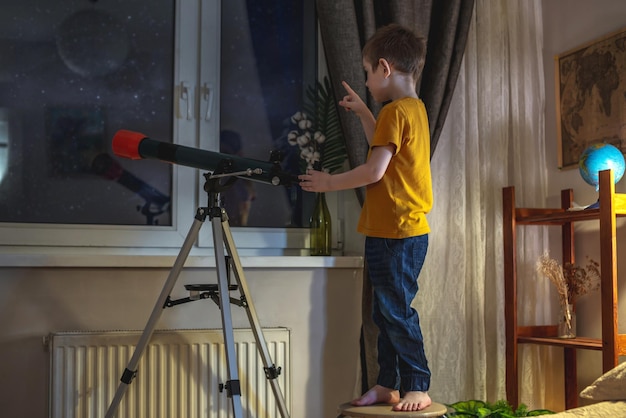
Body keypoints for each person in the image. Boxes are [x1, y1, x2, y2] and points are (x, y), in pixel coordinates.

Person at [298, 23, 433, 412]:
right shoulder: (413, 110)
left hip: (396, 232)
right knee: (384, 311)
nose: (368, 81)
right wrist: (361, 112)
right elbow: (387, 151)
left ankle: (417, 383)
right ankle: (387, 384)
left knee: (395, 310)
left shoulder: (394, 111)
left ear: (385, 68)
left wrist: (328, 183)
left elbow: (374, 171)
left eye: (368, 72)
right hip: (395, 230)